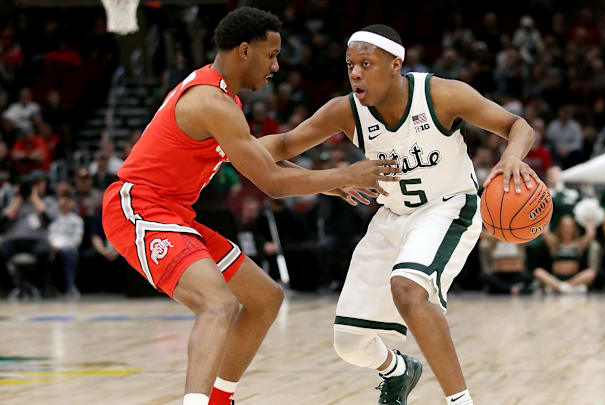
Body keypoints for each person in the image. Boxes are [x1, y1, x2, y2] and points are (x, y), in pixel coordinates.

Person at [101, 8, 399, 405]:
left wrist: (329, 180)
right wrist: (343, 176)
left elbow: (266, 153)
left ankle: (221, 398)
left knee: (264, 298)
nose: (276, 66)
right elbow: (272, 184)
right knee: (218, 304)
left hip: (174, 214)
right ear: (245, 51)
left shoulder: (223, 100)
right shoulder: (211, 102)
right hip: (138, 207)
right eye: (271, 54)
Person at [258, 24, 537, 405]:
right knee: (350, 343)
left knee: (408, 288)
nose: (355, 72)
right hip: (391, 217)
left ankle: (460, 401)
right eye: (350, 64)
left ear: (395, 65)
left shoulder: (440, 94)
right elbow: (283, 145)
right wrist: (225, 146)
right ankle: (399, 371)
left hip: (449, 206)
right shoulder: (346, 110)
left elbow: (517, 126)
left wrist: (510, 157)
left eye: (366, 63)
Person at [533, 215, 597, 293]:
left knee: (590, 273)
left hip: (574, 279)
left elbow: (590, 234)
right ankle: (568, 289)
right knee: (538, 272)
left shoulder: (578, 244)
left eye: (570, 227)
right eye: (565, 226)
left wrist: (588, 217)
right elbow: (545, 232)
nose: (567, 229)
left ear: (574, 228)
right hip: (556, 278)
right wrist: (545, 214)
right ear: (560, 228)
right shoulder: (555, 243)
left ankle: (560, 288)